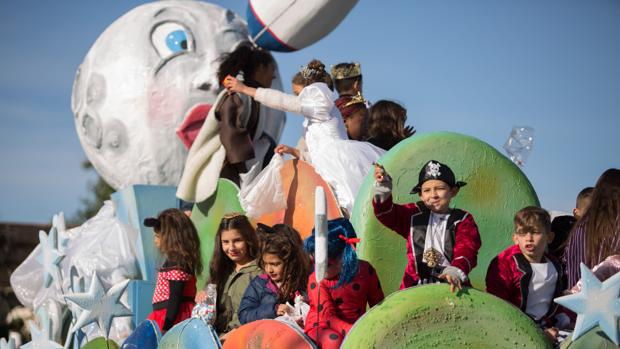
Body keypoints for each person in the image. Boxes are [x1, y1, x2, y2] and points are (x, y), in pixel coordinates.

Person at [224, 59, 385, 214]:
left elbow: (284, 102)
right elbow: (318, 154)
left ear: (309, 89)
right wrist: (296, 153)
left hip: (339, 163)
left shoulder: (319, 100)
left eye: (297, 93)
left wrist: (245, 89)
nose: (297, 97)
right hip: (328, 163)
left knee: (350, 202)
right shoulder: (315, 117)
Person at [177, 42, 278, 203]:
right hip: (217, 165)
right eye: (272, 69)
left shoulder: (253, 97)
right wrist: (245, 174)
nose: (273, 76)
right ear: (260, 68)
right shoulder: (236, 95)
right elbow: (231, 135)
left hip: (235, 165)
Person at [372, 160, 481, 292]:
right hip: (414, 286)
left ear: (453, 191)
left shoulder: (463, 219)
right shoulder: (412, 214)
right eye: (427, 190)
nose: (433, 195)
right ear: (421, 195)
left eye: (440, 189)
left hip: (451, 284)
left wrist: (455, 271)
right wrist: (383, 186)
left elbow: (467, 249)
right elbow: (386, 213)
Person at [486, 206, 569, 343]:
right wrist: (536, 333)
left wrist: (558, 321)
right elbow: (498, 305)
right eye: (523, 233)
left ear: (549, 237)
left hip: (546, 326)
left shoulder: (555, 265)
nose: (529, 238)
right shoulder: (504, 263)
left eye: (535, 232)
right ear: (515, 238)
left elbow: (555, 300)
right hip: (512, 327)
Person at [303, 218, 384, 349]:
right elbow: (328, 316)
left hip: (355, 327)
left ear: (346, 257)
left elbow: (379, 306)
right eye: (315, 262)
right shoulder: (317, 280)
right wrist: (354, 332)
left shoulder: (365, 271)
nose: (319, 269)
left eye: (327, 264)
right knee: (333, 341)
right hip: (322, 327)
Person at [196, 213, 261, 338]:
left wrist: (236, 333)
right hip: (216, 340)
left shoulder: (261, 271)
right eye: (225, 242)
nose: (231, 247)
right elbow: (209, 312)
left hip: (246, 339)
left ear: (248, 239)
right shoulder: (220, 271)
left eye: (237, 240)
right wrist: (202, 298)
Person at [238, 224, 310, 324]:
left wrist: (304, 302)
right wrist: (273, 309)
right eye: (265, 263)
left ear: (290, 263)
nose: (269, 270)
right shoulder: (259, 284)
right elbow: (244, 315)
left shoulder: (303, 283)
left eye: (275, 264)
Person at [144, 209, 202, 332]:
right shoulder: (178, 260)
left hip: (171, 316)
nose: (155, 240)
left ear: (170, 237)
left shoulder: (176, 261)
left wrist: (167, 326)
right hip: (168, 314)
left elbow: (175, 295)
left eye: (158, 236)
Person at [564, 169, 620, 288]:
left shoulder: (579, 227)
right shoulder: (616, 227)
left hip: (576, 301)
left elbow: (572, 270)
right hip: (610, 303)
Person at [548, 187, 593, 264]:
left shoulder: (603, 235)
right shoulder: (562, 227)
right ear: (576, 212)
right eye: (589, 213)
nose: (595, 217)